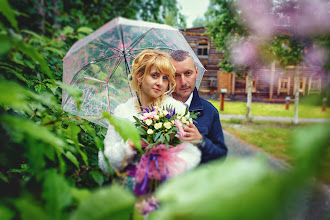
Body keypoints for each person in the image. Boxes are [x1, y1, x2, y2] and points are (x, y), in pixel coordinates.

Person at [98, 49, 201, 192]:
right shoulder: (122, 112)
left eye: (165, 78)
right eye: (154, 75)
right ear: (140, 76)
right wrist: (129, 146)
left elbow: (191, 155)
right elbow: (104, 164)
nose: (160, 83)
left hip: (163, 191)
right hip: (126, 190)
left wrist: (163, 165)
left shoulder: (176, 110)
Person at [170, 50, 227, 163]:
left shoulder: (210, 111)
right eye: (176, 75)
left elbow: (221, 156)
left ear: (196, 72)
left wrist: (201, 141)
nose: (183, 82)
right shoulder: (156, 108)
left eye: (188, 73)